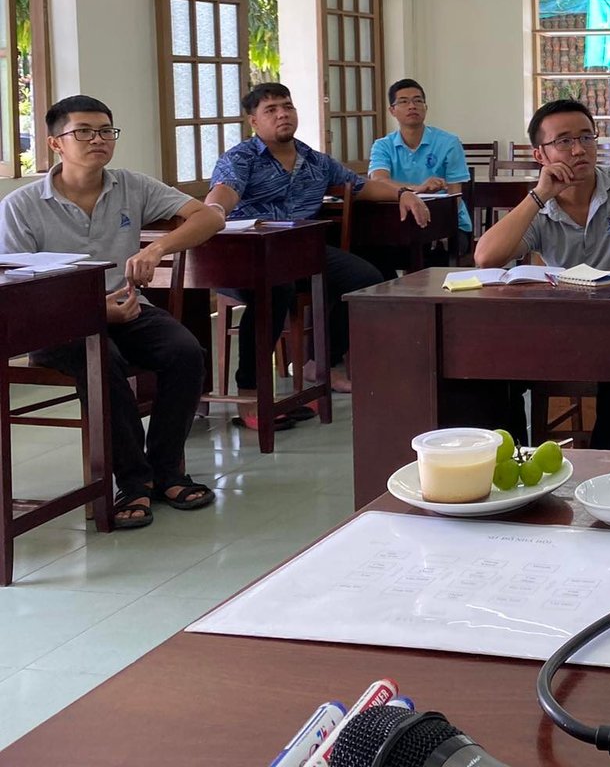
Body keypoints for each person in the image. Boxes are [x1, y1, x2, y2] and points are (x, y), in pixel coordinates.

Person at [0, 95, 224, 529]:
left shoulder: (131, 186)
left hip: (127, 307)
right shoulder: (21, 206)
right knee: (104, 362)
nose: (97, 140)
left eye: (106, 131)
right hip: (57, 324)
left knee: (185, 351)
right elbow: (19, 290)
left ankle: (167, 471)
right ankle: (134, 482)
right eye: (83, 132)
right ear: (56, 143)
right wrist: (91, 312)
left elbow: (209, 218)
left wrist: (156, 248)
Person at [206, 82, 431, 411]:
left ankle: (321, 363)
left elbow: (361, 186)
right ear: (254, 121)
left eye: (287, 106)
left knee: (367, 278)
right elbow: (224, 192)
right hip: (246, 257)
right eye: (271, 110)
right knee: (276, 288)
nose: (282, 114)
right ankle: (250, 392)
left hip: (299, 252)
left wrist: (403, 193)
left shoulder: (314, 160)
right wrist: (214, 210)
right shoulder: (241, 159)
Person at [474, 98, 610, 449]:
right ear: (540, 154)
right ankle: (515, 458)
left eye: (587, 137)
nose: (579, 149)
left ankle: (607, 465)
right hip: (561, 326)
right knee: (488, 370)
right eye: (564, 141)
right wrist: (540, 194)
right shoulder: (539, 206)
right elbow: (485, 257)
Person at [367, 78, 472, 263]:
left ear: (425, 107)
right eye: (404, 101)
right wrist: (417, 188)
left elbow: (455, 194)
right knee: (369, 253)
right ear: (392, 110)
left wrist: (441, 227)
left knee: (434, 254)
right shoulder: (382, 146)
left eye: (417, 101)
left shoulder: (449, 143)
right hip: (399, 224)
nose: (412, 106)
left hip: (449, 225)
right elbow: (378, 181)